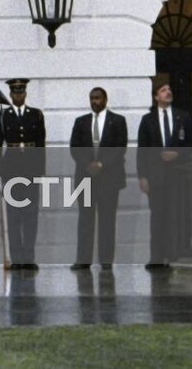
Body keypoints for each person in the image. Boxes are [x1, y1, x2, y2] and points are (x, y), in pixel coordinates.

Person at [136, 76, 192, 269]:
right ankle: (157, 257)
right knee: (157, 216)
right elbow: (141, 150)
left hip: (177, 175)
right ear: (155, 96)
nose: (168, 92)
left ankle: (174, 254)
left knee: (175, 215)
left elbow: (191, 146)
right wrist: (142, 176)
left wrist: (177, 154)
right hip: (155, 176)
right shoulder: (148, 120)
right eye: (163, 90)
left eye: (169, 89)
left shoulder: (182, 116)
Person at [68, 86, 127, 269]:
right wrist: (88, 165)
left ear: (105, 99)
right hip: (85, 178)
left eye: (98, 98)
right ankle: (83, 260)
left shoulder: (117, 121)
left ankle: (106, 261)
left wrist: (101, 164)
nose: (95, 101)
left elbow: (120, 147)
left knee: (107, 221)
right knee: (85, 220)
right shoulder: (81, 122)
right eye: (92, 98)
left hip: (109, 178)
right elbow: (74, 147)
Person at [0, 78, 45, 270]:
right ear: (10, 94)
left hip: (31, 169)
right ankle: (16, 258)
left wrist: (40, 171)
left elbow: (40, 144)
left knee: (31, 215)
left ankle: (29, 258)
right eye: (14, 92)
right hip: (11, 169)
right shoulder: (2, 116)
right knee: (13, 216)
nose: (18, 95)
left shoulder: (36, 115)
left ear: (25, 93)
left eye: (21, 92)